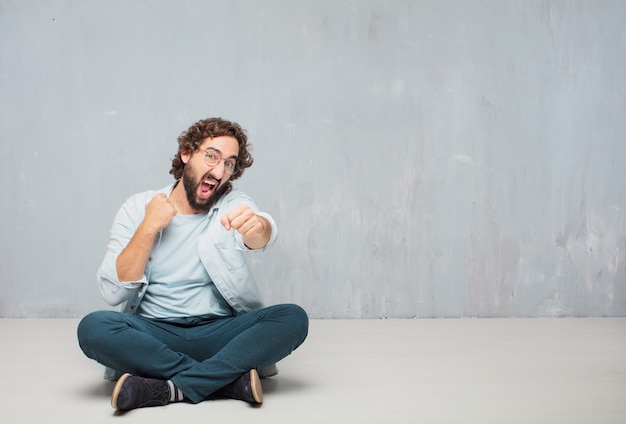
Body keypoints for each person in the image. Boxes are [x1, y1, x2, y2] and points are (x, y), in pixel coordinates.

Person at [77, 117, 308, 411]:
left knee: (293, 318)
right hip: (152, 335)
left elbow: (261, 230)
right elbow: (113, 294)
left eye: (229, 163)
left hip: (219, 334)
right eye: (212, 156)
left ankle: (169, 388)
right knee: (93, 328)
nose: (219, 170)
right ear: (186, 152)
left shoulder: (230, 203)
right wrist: (148, 227)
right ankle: (224, 380)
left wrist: (258, 227)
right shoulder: (138, 207)